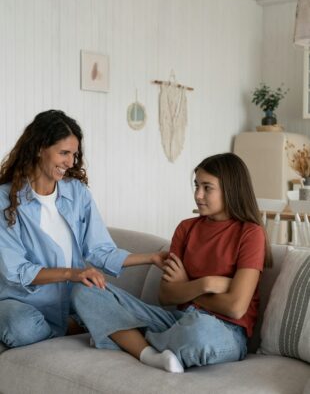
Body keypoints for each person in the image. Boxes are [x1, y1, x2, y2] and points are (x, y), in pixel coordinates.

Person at [71, 152, 271, 373]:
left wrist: (188, 287)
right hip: (176, 321)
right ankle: (144, 349)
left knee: (198, 332)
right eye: (196, 186)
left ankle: (122, 337)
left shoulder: (251, 233)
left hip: (223, 331)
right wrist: (206, 284)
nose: (198, 195)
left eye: (207, 187)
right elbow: (166, 296)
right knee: (85, 289)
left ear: (230, 189)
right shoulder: (186, 228)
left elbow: (235, 308)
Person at [0, 109, 168, 348]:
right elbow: (17, 271)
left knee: (107, 302)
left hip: (69, 300)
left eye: (74, 154)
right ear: (39, 148)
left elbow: (100, 250)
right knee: (21, 326)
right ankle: (75, 326)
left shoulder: (77, 193)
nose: (70, 162)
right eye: (63, 153)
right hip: (21, 301)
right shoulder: (5, 200)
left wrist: (151, 257)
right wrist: (72, 273)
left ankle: (77, 324)